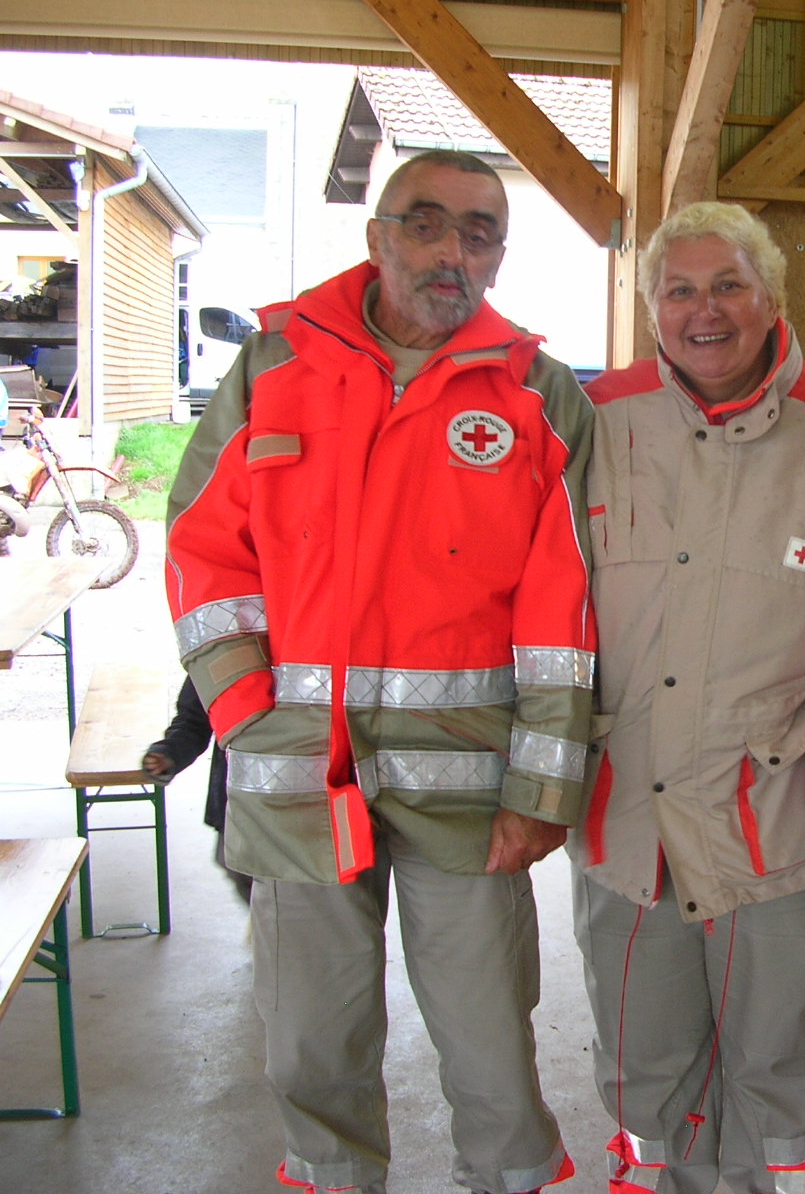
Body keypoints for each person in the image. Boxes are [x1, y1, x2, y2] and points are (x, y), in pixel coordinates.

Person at [164, 149, 594, 1194]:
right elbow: (203, 547)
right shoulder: (274, 365)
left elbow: (565, 612)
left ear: (500, 254)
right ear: (377, 235)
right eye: (426, 222)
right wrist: (244, 709)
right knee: (309, 1042)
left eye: (479, 231)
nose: (452, 251)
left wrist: (544, 793)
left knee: (491, 1043)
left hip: (472, 790)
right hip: (298, 778)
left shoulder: (537, 394)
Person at [568, 201, 805, 1194]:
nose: (706, 311)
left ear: (771, 295)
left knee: (778, 1078)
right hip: (627, 832)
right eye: (680, 290)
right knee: (646, 1082)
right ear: (650, 305)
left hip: (777, 832)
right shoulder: (593, 424)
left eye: (728, 285)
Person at [142, 675, 249, 903]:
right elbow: (193, 721)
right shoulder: (221, 647)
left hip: (313, 805)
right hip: (238, 801)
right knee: (240, 870)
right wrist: (171, 752)